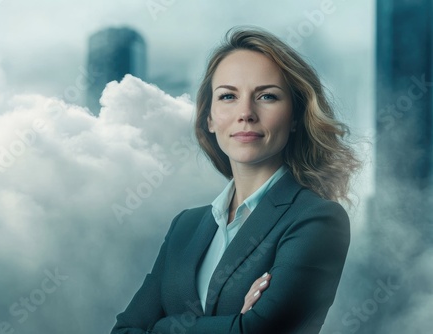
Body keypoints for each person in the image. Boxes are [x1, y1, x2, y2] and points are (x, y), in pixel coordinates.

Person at [111, 27, 360, 333]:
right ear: (210, 118)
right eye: (228, 96)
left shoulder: (317, 219)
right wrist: (232, 325)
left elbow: (258, 331)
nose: (246, 113)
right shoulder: (185, 226)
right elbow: (124, 330)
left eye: (267, 96)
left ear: (295, 117)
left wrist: (163, 326)